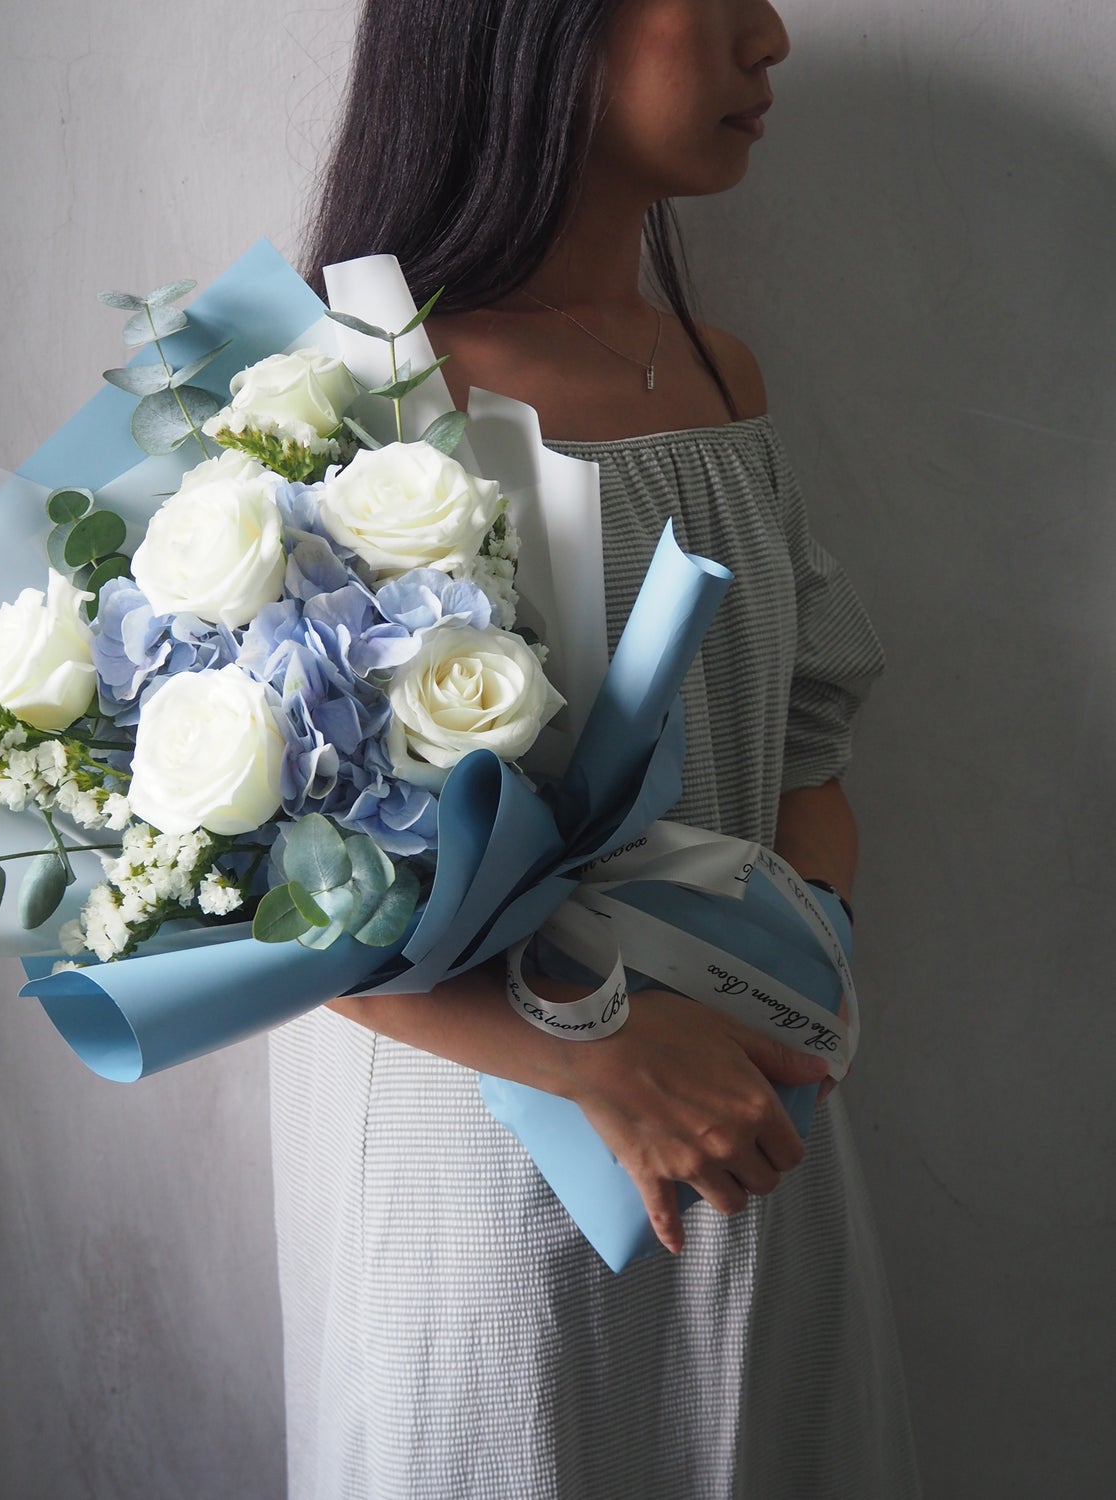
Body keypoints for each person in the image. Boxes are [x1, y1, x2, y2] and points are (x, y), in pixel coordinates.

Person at [271, 1, 921, 1495]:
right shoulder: (353, 392)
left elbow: (805, 735)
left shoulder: (718, 376)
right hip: (490, 1143)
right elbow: (245, 877)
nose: (771, 38)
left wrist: (791, 971)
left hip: (750, 1093)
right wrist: (597, 1047)